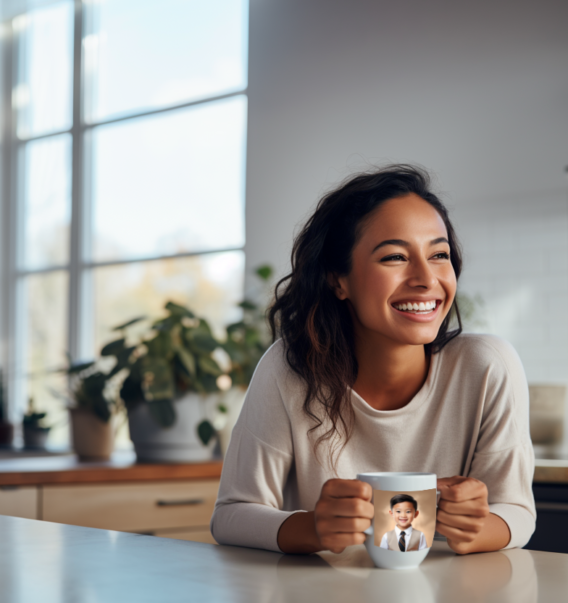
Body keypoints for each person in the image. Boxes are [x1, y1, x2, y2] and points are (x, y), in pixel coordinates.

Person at [210, 165, 535, 555]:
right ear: (338, 280)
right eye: (395, 256)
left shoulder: (487, 366)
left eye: (439, 254)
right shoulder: (289, 368)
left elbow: (516, 510)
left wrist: (478, 525)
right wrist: (312, 528)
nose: (426, 278)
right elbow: (231, 515)